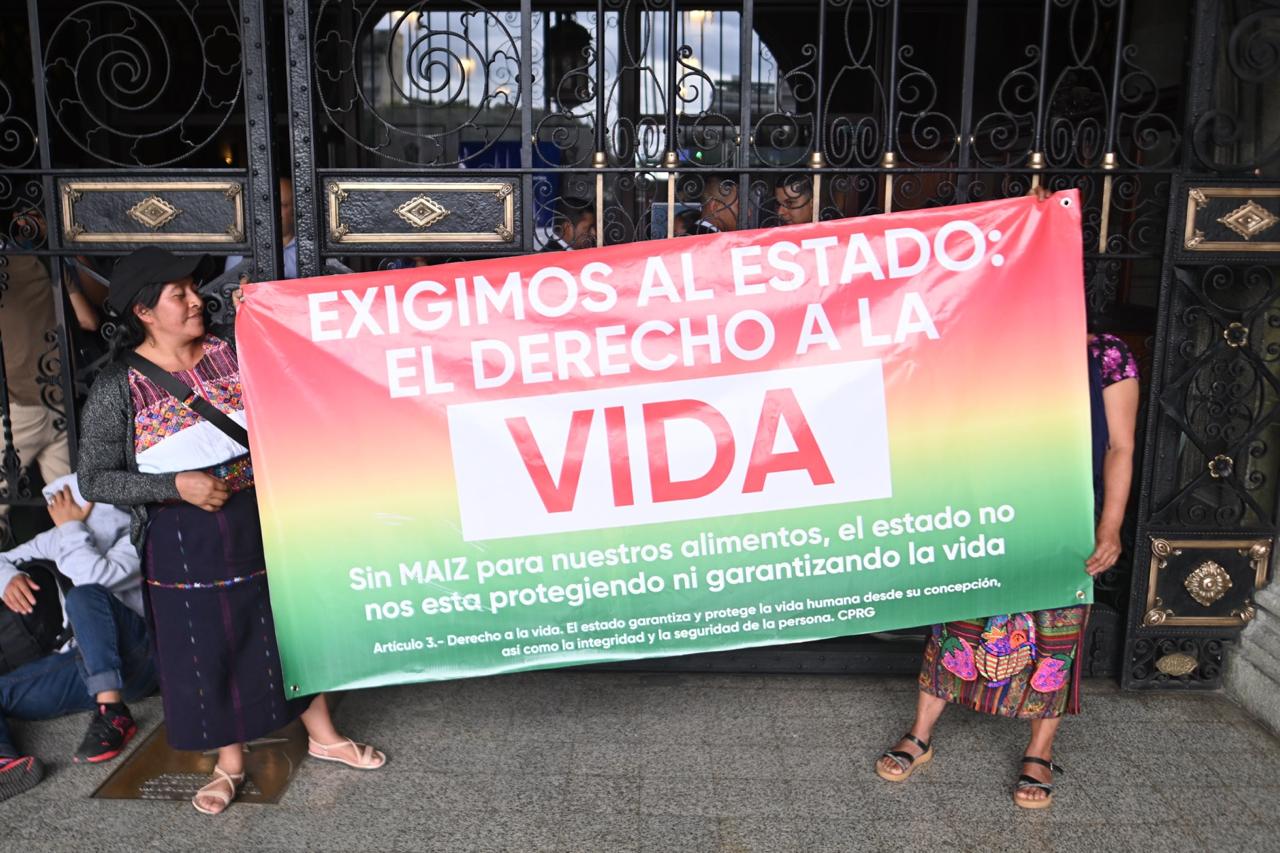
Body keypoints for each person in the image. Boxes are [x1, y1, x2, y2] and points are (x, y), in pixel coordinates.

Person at [78, 246, 386, 815]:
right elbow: (93, 478)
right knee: (208, 648)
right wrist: (175, 486)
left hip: (263, 514)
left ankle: (322, 735)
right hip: (184, 540)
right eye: (179, 294)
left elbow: (306, 374)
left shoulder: (233, 349)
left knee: (288, 626)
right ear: (145, 311)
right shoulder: (119, 388)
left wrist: (271, 316)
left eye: (194, 287)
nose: (197, 299)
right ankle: (230, 764)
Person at [874, 191, 1140, 809]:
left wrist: (1112, 524)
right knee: (959, 619)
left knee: (1057, 631)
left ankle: (1039, 752)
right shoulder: (988, 344)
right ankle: (920, 735)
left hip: (1066, 519)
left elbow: (1119, 447)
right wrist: (1019, 223)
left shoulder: (1105, 356)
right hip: (988, 509)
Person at [0, 473, 156, 802]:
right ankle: (4, 763)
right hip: (84, 664)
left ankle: (112, 712)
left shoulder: (135, 536)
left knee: (83, 597)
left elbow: (91, 577)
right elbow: (1, 560)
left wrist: (71, 529)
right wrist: (9, 578)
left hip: (139, 658)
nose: (64, 508)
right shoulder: (59, 538)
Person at [0, 248, 71, 510]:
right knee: (75, 510)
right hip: (60, 400)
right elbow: (87, 319)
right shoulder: (48, 258)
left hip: (16, 407)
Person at [224, 177, 297, 279]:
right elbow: (230, 288)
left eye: (279, 204)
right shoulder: (244, 250)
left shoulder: (311, 246)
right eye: (266, 203)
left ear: (295, 209)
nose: (270, 210)